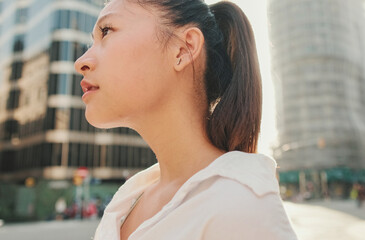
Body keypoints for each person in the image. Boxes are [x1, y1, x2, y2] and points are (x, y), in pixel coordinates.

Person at [74, 0, 298, 239]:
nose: (81, 62)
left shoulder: (242, 207)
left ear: (183, 49)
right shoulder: (127, 200)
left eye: (106, 31)